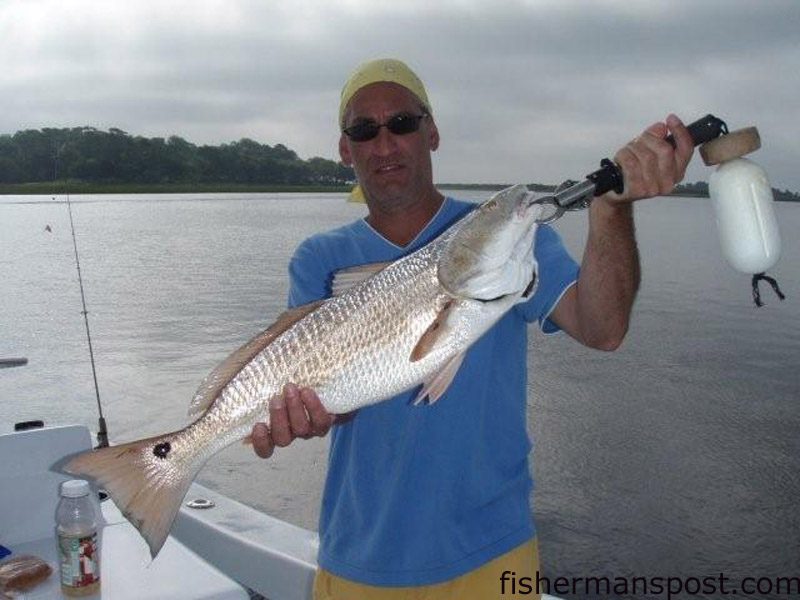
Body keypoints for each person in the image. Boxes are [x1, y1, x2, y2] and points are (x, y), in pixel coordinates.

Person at [250, 58, 694, 599]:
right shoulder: (320, 259)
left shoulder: (510, 240)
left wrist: (612, 211)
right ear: (347, 149)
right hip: (360, 557)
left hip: (493, 553)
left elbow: (603, 329)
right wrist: (305, 415)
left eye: (403, 124)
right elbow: (333, 397)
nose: (384, 143)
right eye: (364, 130)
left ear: (431, 132)